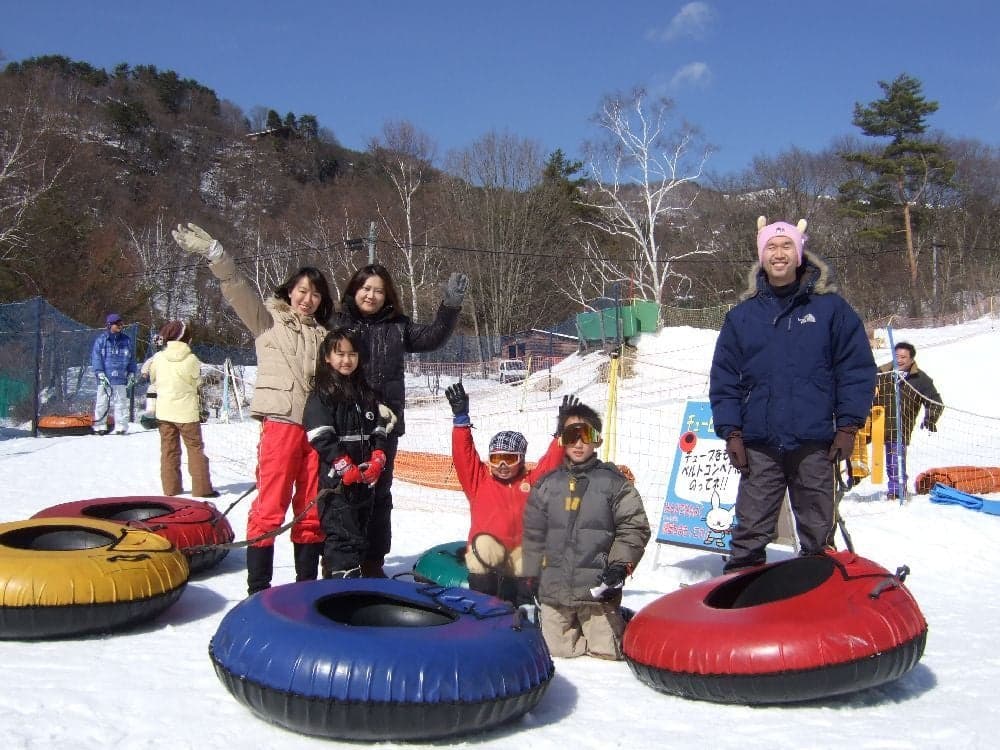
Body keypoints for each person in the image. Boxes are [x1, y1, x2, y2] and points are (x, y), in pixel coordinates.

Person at [171, 222, 333, 594]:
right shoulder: (267, 322)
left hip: (316, 431)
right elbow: (236, 288)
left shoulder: (326, 336)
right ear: (290, 292)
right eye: (302, 291)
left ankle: (305, 588)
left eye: (316, 294)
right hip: (280, 425)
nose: (308, 299)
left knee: (311, 509)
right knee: (270, 505)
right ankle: (258, 589)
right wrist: (216, 253)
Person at [710, 216, 877, 572]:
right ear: (762, 255)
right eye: (771, 246)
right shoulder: (742, 317)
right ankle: (741, 606)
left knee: (818, 534)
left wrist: (848, 426)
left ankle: (819, 606)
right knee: (750, 531)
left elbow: (856, 369)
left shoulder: (831, 310)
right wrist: (732, 432)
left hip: (815, 442)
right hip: (759, 445)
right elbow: (724, 379)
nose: (779, 253)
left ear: (799, 253)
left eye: (787, 245)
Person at [330, 263, 467, 577]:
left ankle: (373, 563)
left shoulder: (398, 326)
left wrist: (450, 307)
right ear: (354, 290)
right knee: (343, 492)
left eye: (378, 290)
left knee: (379, 494)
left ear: (387, 295)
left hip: (385, 425)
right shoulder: (338, 324)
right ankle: (342, 563)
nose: (371, 295)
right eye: (366, 288)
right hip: (346, 424)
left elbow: (433, 338)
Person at [521, 401, 651, 660]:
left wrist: (620, 566)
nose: (579, 444)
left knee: (607, 653)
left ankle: (615, 622)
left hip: (597, 590)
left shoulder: (614, 483)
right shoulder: (547, 485)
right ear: (562, 441)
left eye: (586, 436)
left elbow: (633, 526)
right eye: (572, 436)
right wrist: (531, 574)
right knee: (557, 652)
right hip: (555, 590)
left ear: (598, 440)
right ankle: (560, 623)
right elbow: (533, 532)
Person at [444, 381, 567, 602]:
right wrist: (461, 419)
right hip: (489, 555)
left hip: (519, 555)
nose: (502, 465)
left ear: (521, 460)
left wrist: (561, 436)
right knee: (482, 550)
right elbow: (464, 456)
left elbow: (551, 464)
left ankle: (525, 608)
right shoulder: (479, 481)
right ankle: (481, 607)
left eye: (509, 459)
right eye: (496, 458)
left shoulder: (531, 482)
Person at [303, 327, 395, 578]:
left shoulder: (365, 392)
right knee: (342, 539)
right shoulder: (322, 394)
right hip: (337, 485)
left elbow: (379, 428)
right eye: (340, 354)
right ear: (327, 357)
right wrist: (344, 466)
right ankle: (339, 586)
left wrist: (378, 457)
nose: (346, 360)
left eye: (352, 354)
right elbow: (320, 435)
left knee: (361, 534)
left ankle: (359, 585)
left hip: (364, 483)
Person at [148, 320, 218, 498]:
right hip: (186, 413)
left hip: (164, 412)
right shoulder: (191, 359)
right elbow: (198, 381)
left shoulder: (158, 358)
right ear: (185, 338)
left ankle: (171, 489)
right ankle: (202, 489)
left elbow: (153, 379)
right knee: (195, 449)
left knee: (168, 450)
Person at [874, 341, 944, 500]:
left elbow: (934, 401)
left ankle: (897, 491)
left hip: (899, 426)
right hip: (874, 423)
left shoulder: (920, 378)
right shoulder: (880, 373)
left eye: (903, 357)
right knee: (854, 450)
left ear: (911, 359)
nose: (899, 360)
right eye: (896, 356)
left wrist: (930, 418)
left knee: (895, 462)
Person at [90, 313, 137, 435]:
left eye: (121, 324)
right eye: (117, 324)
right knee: (102, 402)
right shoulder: (101, 341)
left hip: (121, 377)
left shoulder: (126, 340)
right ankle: (100, 426)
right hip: (105, 378)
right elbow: (96, 358)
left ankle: (121, 426)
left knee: (121, 402)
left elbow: (132, 358)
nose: (120, 326)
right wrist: (99, 372)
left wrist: (132, 372)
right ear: (110, 325)